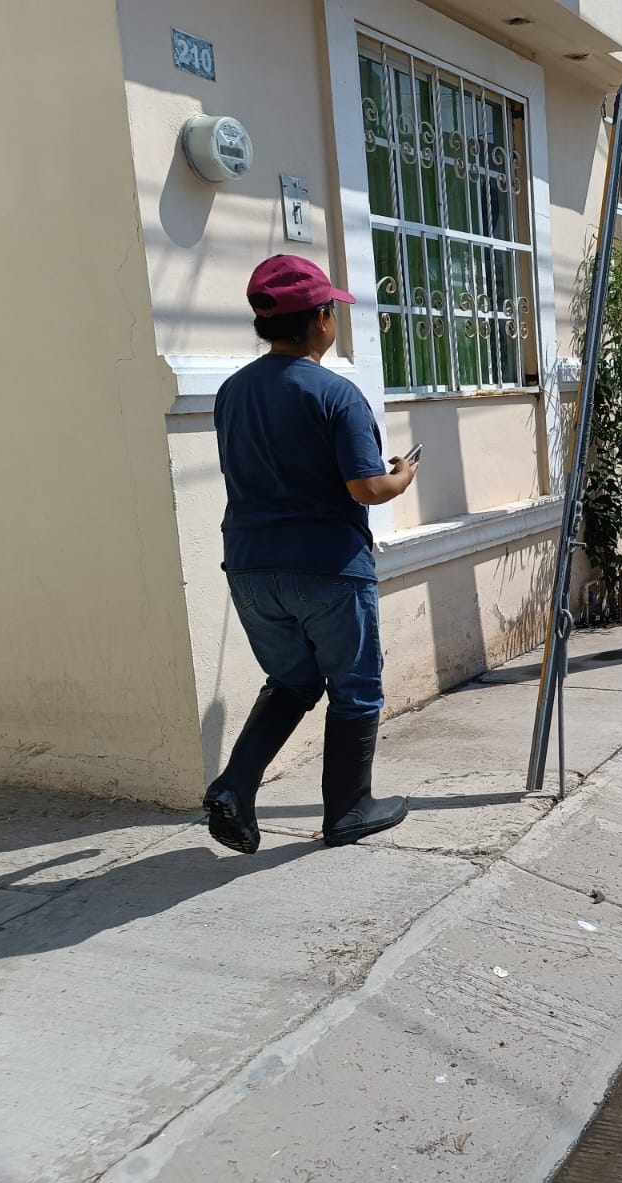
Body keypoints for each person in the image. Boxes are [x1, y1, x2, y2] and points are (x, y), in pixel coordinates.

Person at [204, 254, 418, 854]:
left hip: (249, 566)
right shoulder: (337, 395)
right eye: (332, 311)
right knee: (356, 688)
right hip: (328, 567)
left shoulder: (231, 392)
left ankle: (233, 787)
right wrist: (401, 477)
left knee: (293, 680)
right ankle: (349, 810)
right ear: (320, 319)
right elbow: (366, 488)